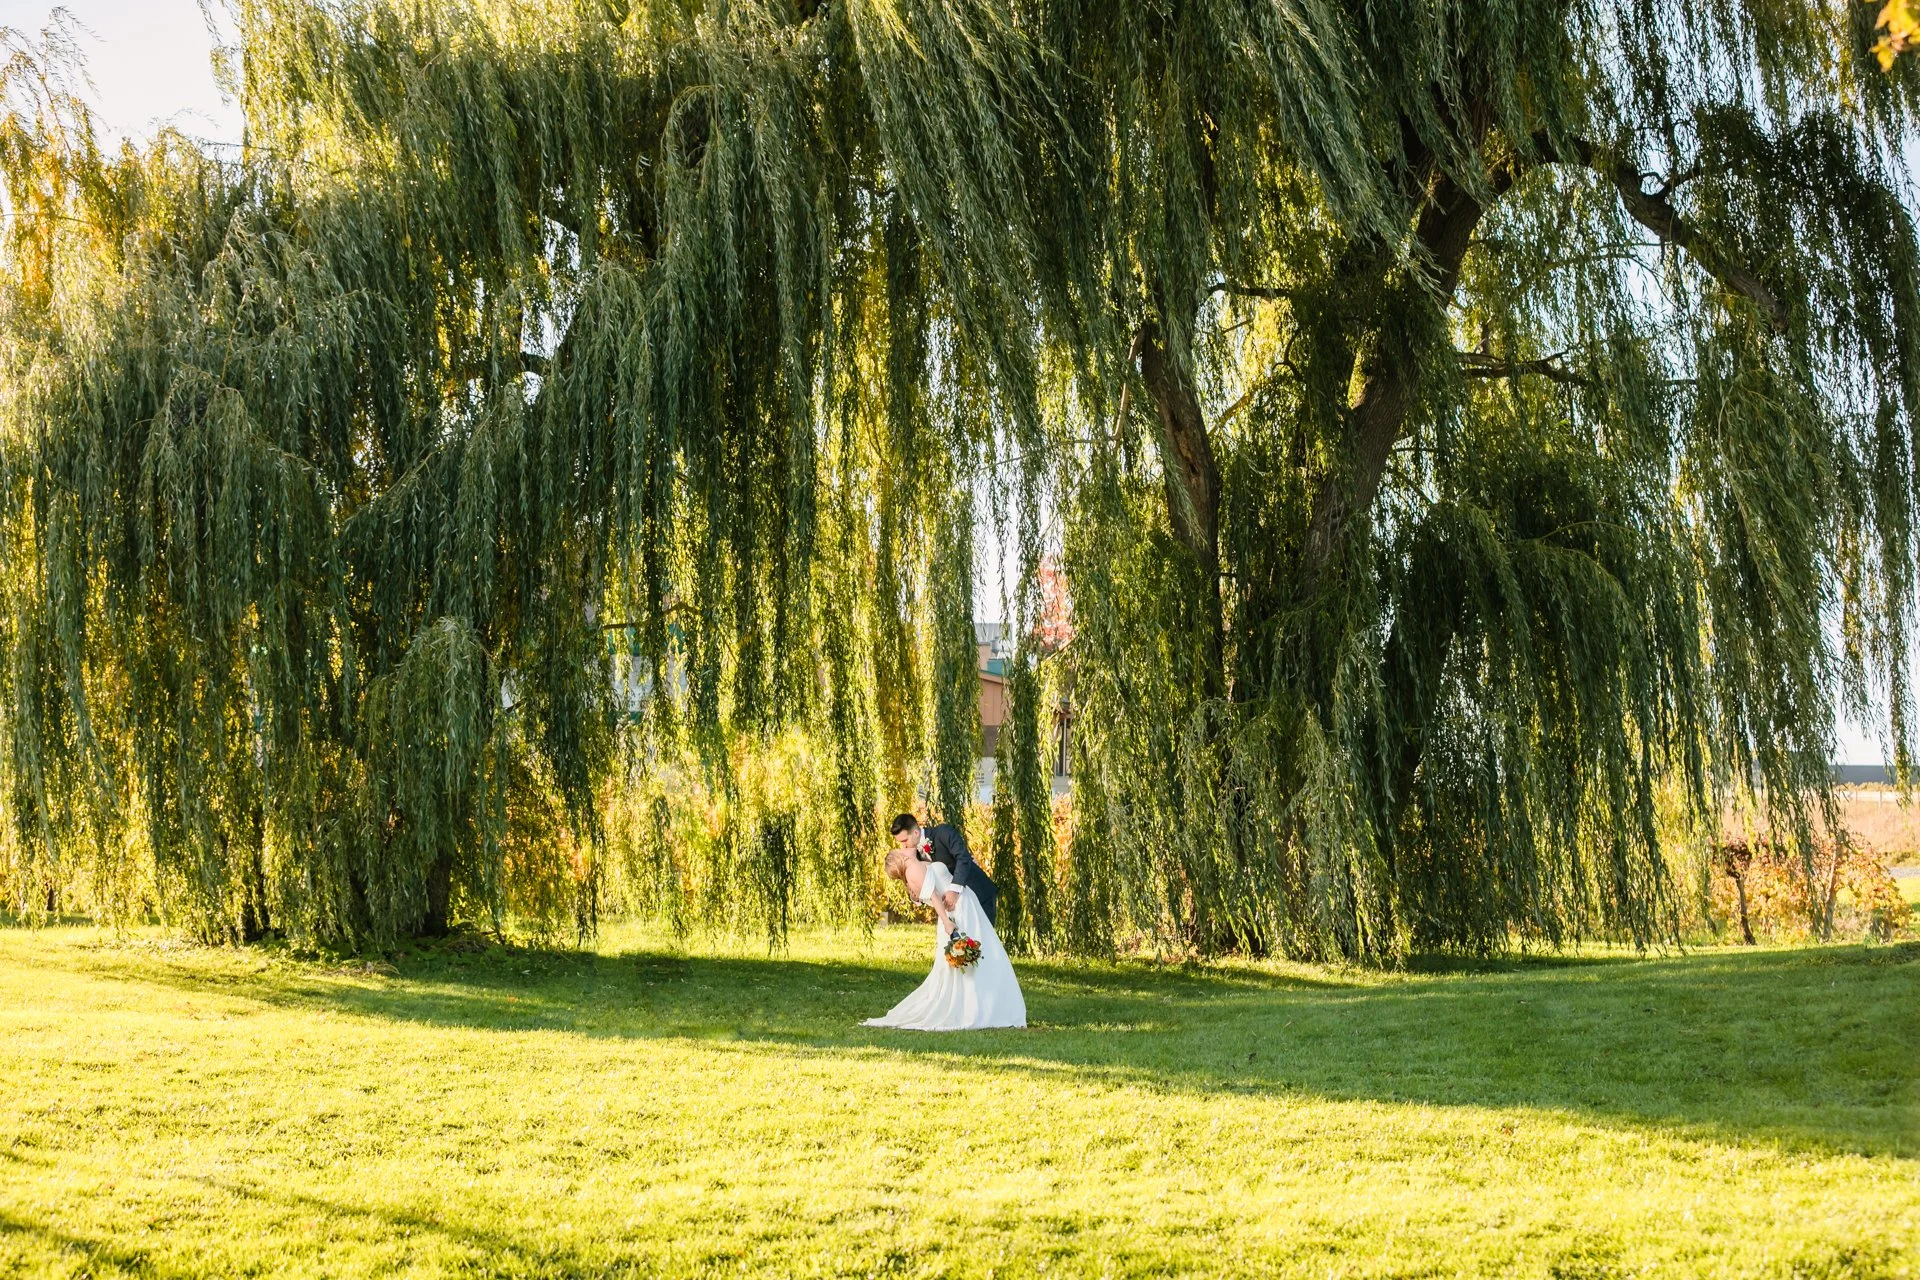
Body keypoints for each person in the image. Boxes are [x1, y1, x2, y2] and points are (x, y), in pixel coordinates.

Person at [862, 843, 1025, 1031]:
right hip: (958, 910)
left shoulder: (915, 867)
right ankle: (979, 1009)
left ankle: (987, 1007)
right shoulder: (913, 869)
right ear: (898, 858)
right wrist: (947, 922)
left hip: (964, 905)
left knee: (982, 952)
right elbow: (934, 898)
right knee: (977, 955)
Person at [889, 812, 997, 925]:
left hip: (978, 892)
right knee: (962, 941)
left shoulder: (943, 832)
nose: (903, 846)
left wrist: (954, 891)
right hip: (953, 908)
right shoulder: (913, 856)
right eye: (900, 843)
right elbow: (926, 884)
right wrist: (916, 896)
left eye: (905, 841)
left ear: (916, 832)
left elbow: (963, 858)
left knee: (982, 939)